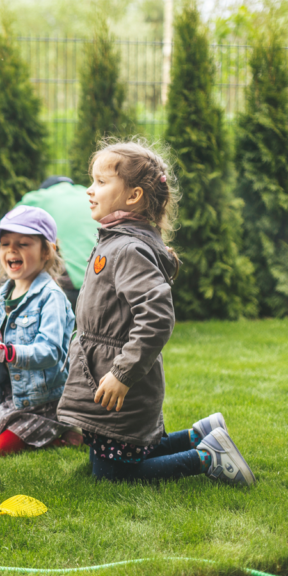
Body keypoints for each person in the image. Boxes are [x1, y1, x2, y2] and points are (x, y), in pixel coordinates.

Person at [56, 139, 255, 485]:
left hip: (120, 377)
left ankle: (207, 456)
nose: (90, 190)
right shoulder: (115, 240)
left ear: (133, 196)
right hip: (105, 371)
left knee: (113, 475)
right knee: (107, 456)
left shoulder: (128, 249)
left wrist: (123, 373)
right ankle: (199, 434)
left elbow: (157, 316)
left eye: (101, 182)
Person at [0, 206, 80, 456]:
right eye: (5, 244)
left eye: (23, 243)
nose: (12, 250)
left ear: (47, 251)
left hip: (44, 402)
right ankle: (28, 429)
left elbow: (49, 353)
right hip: (9, 396)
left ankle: (63, 433)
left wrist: (5, 352)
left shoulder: (52, 299)